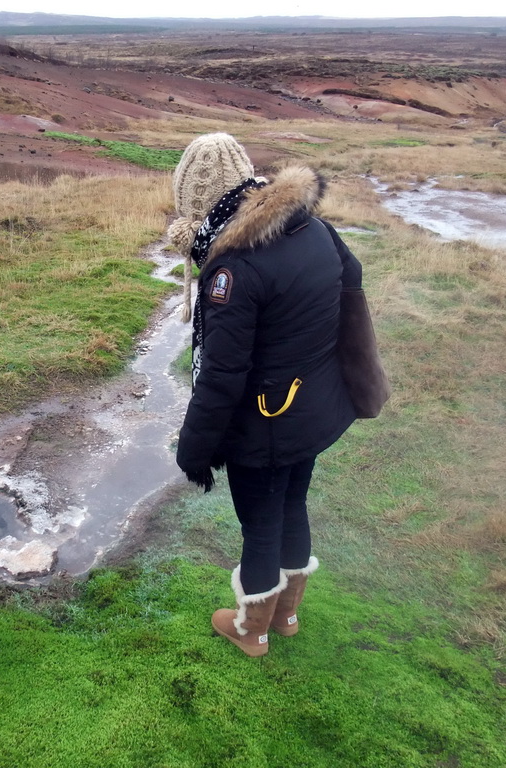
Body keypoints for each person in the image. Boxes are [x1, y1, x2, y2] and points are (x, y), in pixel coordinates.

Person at [168, 133, 361, 657]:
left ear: (201, 202)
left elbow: (221, 376)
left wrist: (194, 448)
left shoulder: (235, 268)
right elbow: (352, 279)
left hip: (267, 422)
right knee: (292, 504)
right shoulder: (310, 225)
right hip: (313, 409)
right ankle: (287, 614)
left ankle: (251, 631)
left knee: (260, 524)